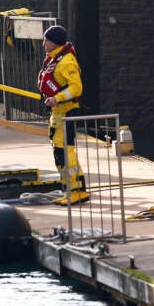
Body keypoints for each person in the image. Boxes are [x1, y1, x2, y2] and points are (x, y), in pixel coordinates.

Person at [37, 24, 88, 205]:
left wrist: (57, 98)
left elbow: (76, 88)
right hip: (57, 112)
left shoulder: (66, 61)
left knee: (65, 150)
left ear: (55, 42)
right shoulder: (54, 59)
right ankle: (73, 187)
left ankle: (76, 190)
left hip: (67, 111)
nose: (43, 43)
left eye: (47, 40)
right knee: (60, 150)